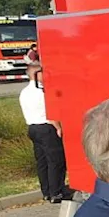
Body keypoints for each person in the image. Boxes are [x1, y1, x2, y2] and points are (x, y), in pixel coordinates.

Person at [20, 63, 73, 203]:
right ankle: (57, 192)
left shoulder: (24, 92)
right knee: (56, 161)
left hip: (33, 128)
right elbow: (50, 112)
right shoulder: (42, 91)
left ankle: (47, 191)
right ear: (37, 74)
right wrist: (58, 127)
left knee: (42, 162)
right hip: (47, 128)